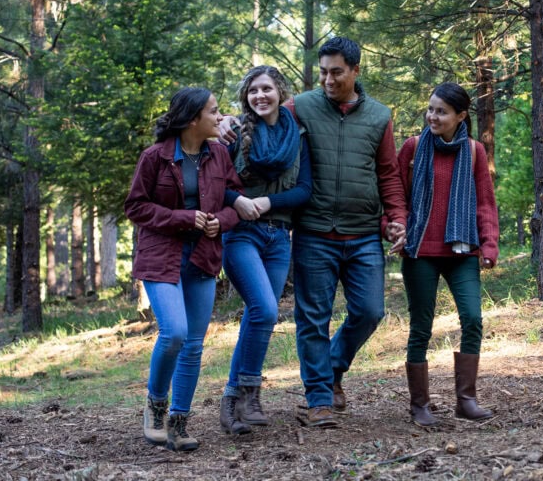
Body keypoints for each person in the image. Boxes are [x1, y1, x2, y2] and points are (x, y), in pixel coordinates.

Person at [221, 37, 407, 427]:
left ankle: (333, 368)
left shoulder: (379, 116)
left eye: (336, 72)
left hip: (362, 231)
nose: (327, 79)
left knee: (370, 311)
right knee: (312, 318)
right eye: (322, 71)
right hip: (315, 230)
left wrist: (396, 217)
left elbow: (388, 172)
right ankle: (319, 397)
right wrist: (225, 122)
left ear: (356, 70)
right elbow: (260, 110)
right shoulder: (300, 107)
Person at [124, 87, 243, 451]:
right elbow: (136, 207)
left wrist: (219, 222)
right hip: (161, 255)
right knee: (174, 332)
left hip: (203, 256)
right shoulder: (155, 157)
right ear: (193, 119)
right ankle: (155, 406)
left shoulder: (220, 154)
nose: (219, 117)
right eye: (214, 111)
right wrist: (184, 218)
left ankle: (179, 422)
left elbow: (233, 202)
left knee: (193, 345)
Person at [394, 82, 499, 426]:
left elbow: (484, 200)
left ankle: (466, 400)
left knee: (473, 319)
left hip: (462, 249)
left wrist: (489, 243)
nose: (432, 116)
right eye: (430, 109)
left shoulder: (474, 151)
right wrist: (393, 228)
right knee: (421, 326)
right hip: (420, 251)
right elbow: (395, 195)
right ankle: (419, 405)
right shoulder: (411, 148)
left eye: (441, 111)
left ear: (461, 116)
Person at [218, 66, 312, 435]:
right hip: (242, 235)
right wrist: (240, 201)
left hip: (278, 237)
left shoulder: (297, 135)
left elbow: (304, 190)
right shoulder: (233, 132)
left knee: (258, 316)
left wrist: (267, 202)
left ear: (280, 92)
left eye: (267, 89)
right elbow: (216, 184)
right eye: (253, 90)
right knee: (266, 309)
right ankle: (250, 392)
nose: (260, 96)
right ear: (246, 96)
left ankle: (231, 399)